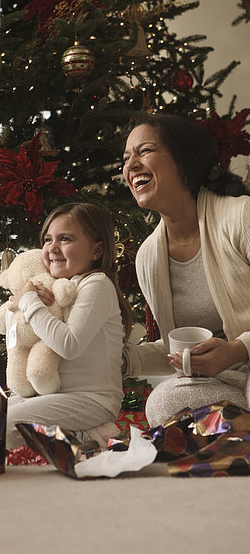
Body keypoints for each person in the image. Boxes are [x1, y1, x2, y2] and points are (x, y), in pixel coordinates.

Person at [122, 112, 250, 427]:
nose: (131, 165)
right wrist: (125, 359)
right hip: (222, 385)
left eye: (144, 151)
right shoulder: (148, 257)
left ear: (183, 160)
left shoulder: (240, 217)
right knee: (163, 403)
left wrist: (237, 349)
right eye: (126, 158)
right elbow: (173, 348)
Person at [5, 202, 132, 450]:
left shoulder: (96, 284)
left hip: (92, 400)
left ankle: (91, 437)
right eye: (47, 239)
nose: (52, 248)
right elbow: (19, 340)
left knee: (8, 426)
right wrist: (18, 304)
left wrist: (29, 301)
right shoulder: (52, 287)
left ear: (96, 251)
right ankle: (75, 435)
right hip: (50, 396)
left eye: (65, 239)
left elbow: (69, 346)